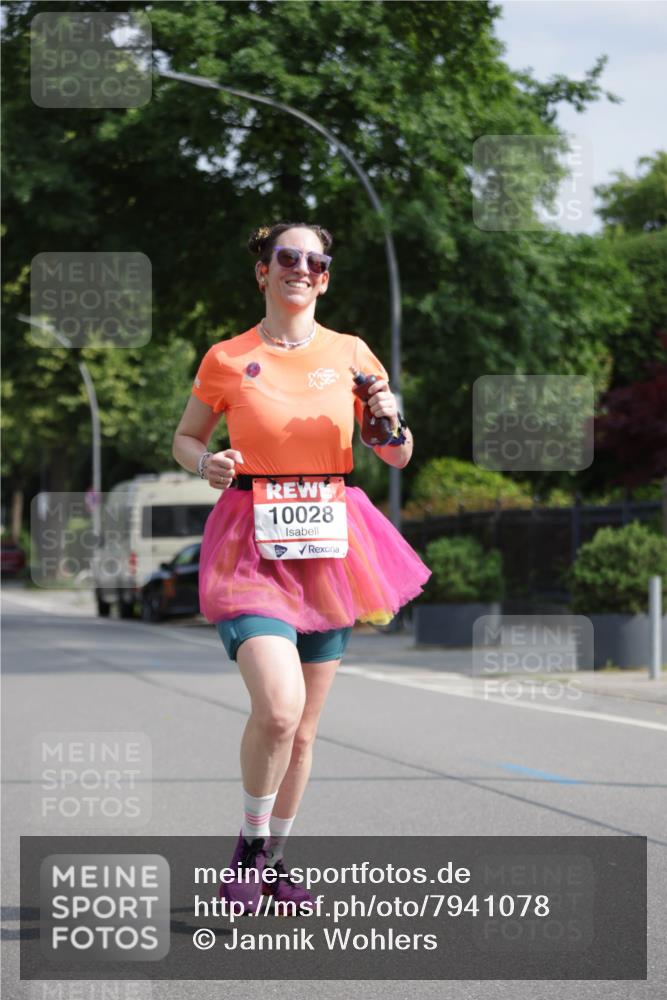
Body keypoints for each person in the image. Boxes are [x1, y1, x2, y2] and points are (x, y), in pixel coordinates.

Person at [172, 221, 430, 911]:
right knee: (279, 713)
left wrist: (385, 414)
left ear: (325, 276)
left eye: (315, 262)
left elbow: (397, 454)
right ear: (263, 271)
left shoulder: (351, 353)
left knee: (307, 728)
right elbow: (187, 435)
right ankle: (250, 850)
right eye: (287, 258)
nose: (302, 269)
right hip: (251, 543)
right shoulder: (228, 357)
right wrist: (207, 462)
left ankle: (270, 860)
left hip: (331, 543)